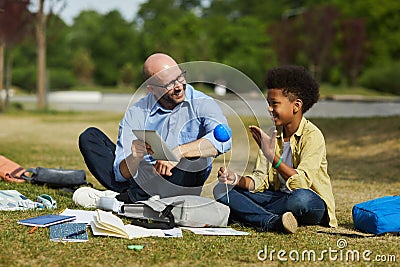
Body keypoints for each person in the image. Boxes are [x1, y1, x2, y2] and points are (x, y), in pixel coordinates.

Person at [75, 53, 232, 208]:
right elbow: (120, 174)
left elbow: (223, 140)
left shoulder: (203, 103)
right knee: (90, 136)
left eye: (180, 77)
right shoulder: (136, 113)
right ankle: (139, 197)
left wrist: (178, 153)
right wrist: (135, 158)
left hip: (179, 178)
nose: (178, 87)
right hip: (142, 175)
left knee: (196, 158)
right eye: (169, 84)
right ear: (151, 89)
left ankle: (125, 198)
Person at [214, 65, 337, 234]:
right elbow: (260, 180)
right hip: (278, 199)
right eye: (268, 103)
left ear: (296, 105)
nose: (269, 109)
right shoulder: (273, 135)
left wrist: (273, 157)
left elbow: (301, 184)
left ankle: (248, 214)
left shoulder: (312, 136)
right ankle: (273, 222)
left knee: (300, 200)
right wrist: (235, 179)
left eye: (275, 104)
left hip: (310, 204)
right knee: (221, 190)